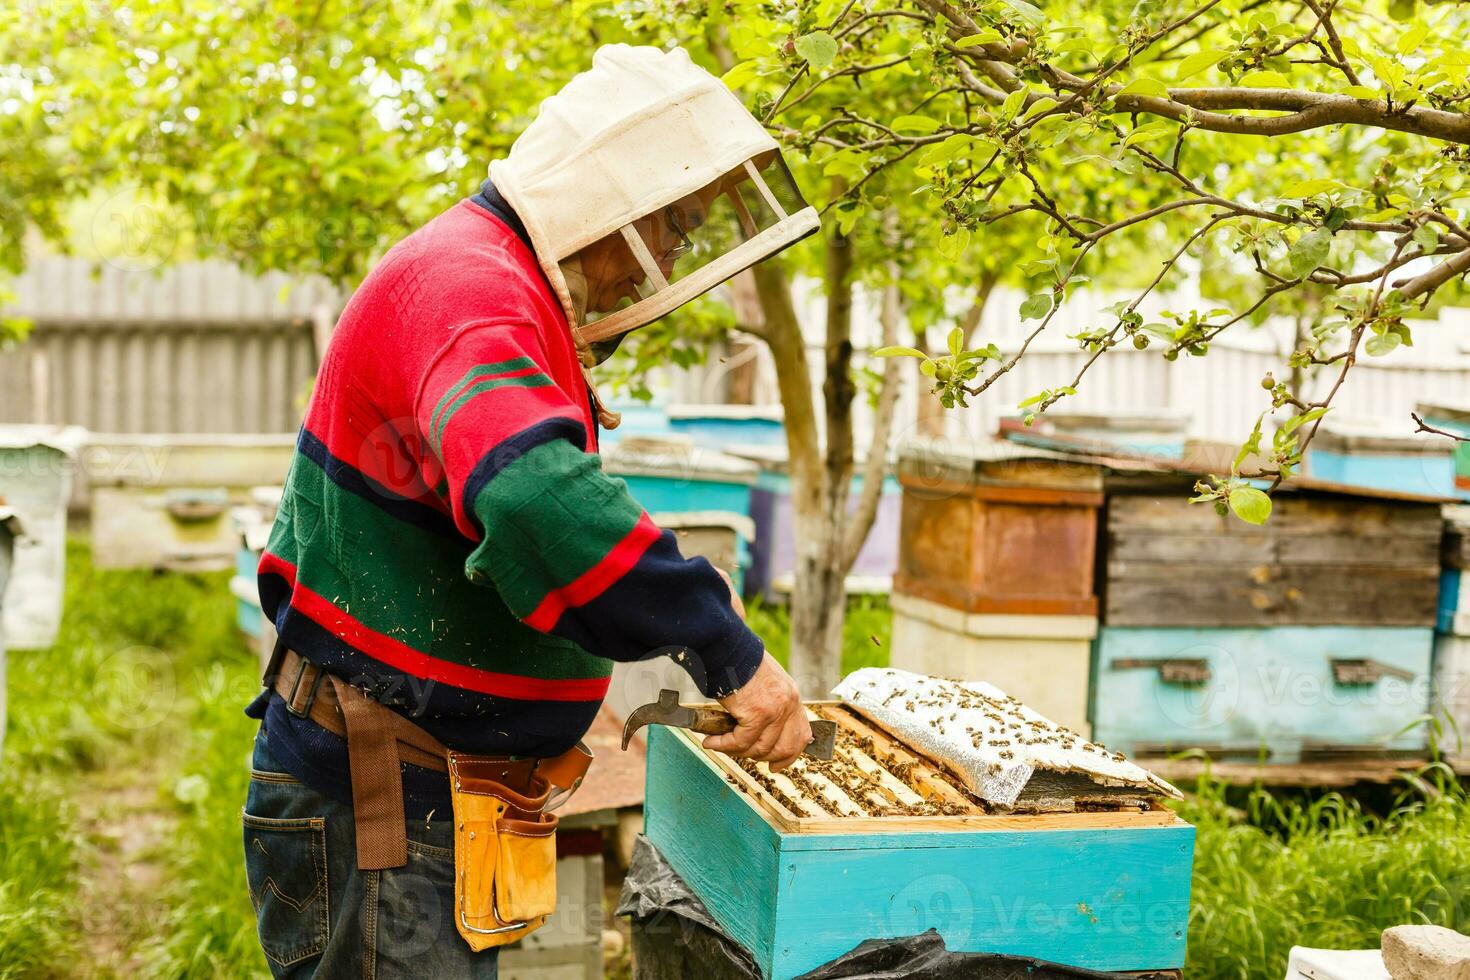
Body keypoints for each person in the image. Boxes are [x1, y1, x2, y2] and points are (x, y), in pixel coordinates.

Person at [242, 44, 821, 978]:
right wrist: (726, 649)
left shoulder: (481, 275)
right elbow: (530, 491)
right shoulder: (472, 289)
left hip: (426, 790)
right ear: (608, 202)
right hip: (384, 800)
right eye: (671, 228)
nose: (664, 263)